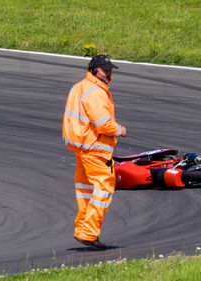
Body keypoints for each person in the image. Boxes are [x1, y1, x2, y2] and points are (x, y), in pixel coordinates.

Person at [62, 54, 127, 250]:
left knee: (85, 191)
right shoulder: (96, 92)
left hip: (81, 148)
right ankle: (88, 232)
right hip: (95, 149)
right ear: (93, 69)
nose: (108, 73)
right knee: (104, 189)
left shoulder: (79, 87)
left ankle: (82, 229)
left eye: (110, 70)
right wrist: (121, 130)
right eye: (104, 70)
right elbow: (103, 124)